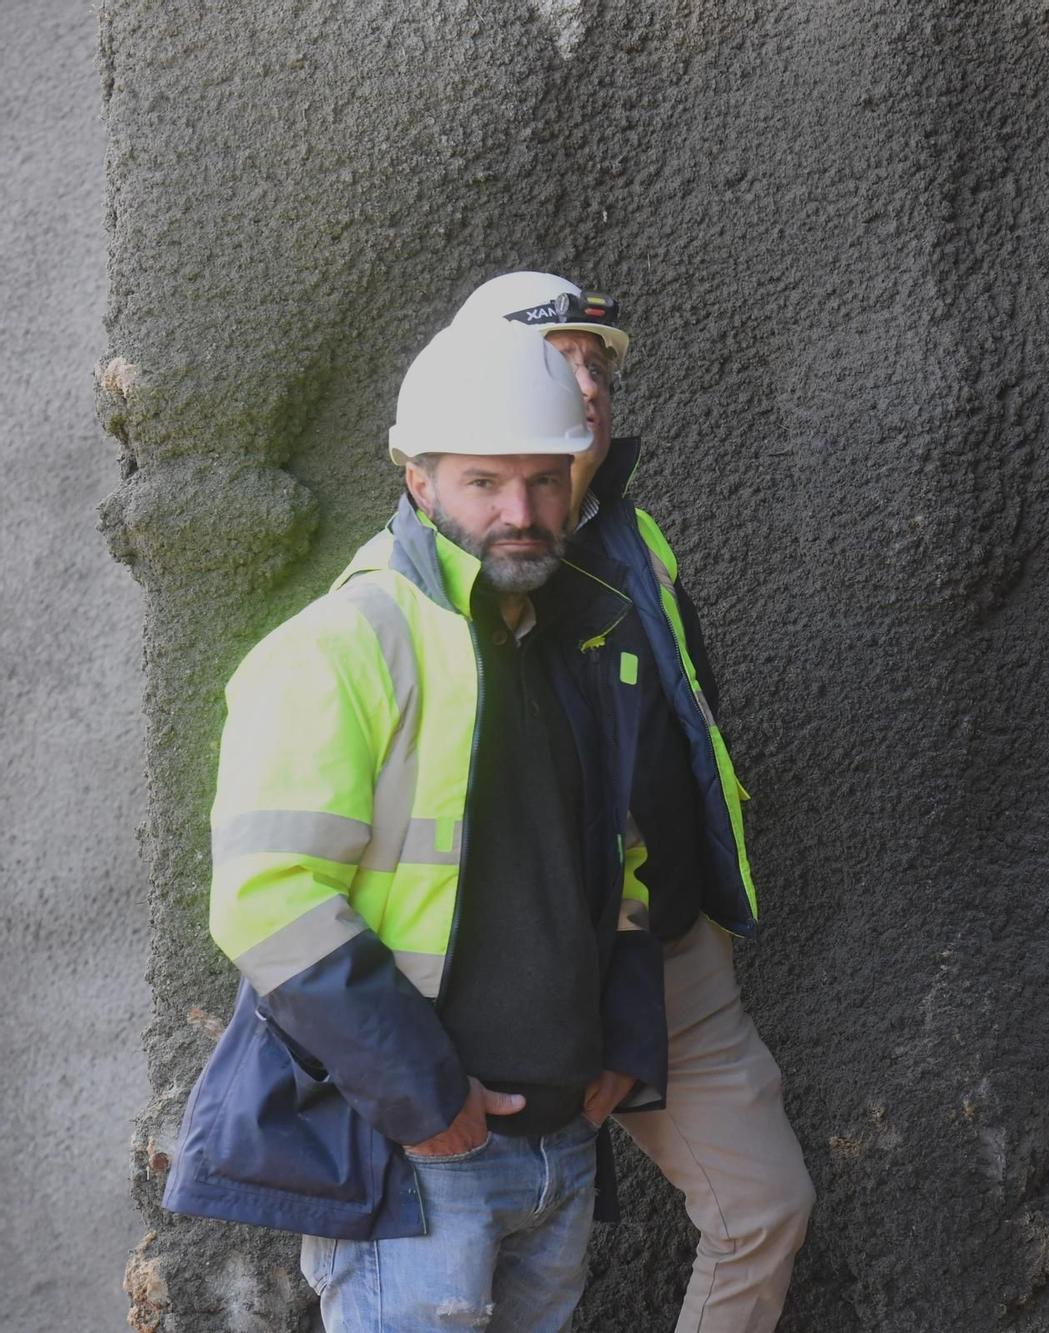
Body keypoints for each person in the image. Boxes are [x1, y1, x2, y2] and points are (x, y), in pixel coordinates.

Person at [162, 318, 670, 1331]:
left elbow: (622, 857)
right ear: (417, 477)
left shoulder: (582, 642)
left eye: (543, 479)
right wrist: (426, 1103)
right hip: (423, 1159)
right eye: (485, 482)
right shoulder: (340, 647)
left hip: (562, 1146)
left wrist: (624, 1034)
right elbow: (269, 899)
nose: (519, 512)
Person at [453, 271, 815, 1333]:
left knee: (763, 1203)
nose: (588, 383)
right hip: (512, 976)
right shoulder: (444, 574)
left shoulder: (628, 535)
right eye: (557, 359)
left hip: (667, 947)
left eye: (598, 363)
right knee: (472, 1281)